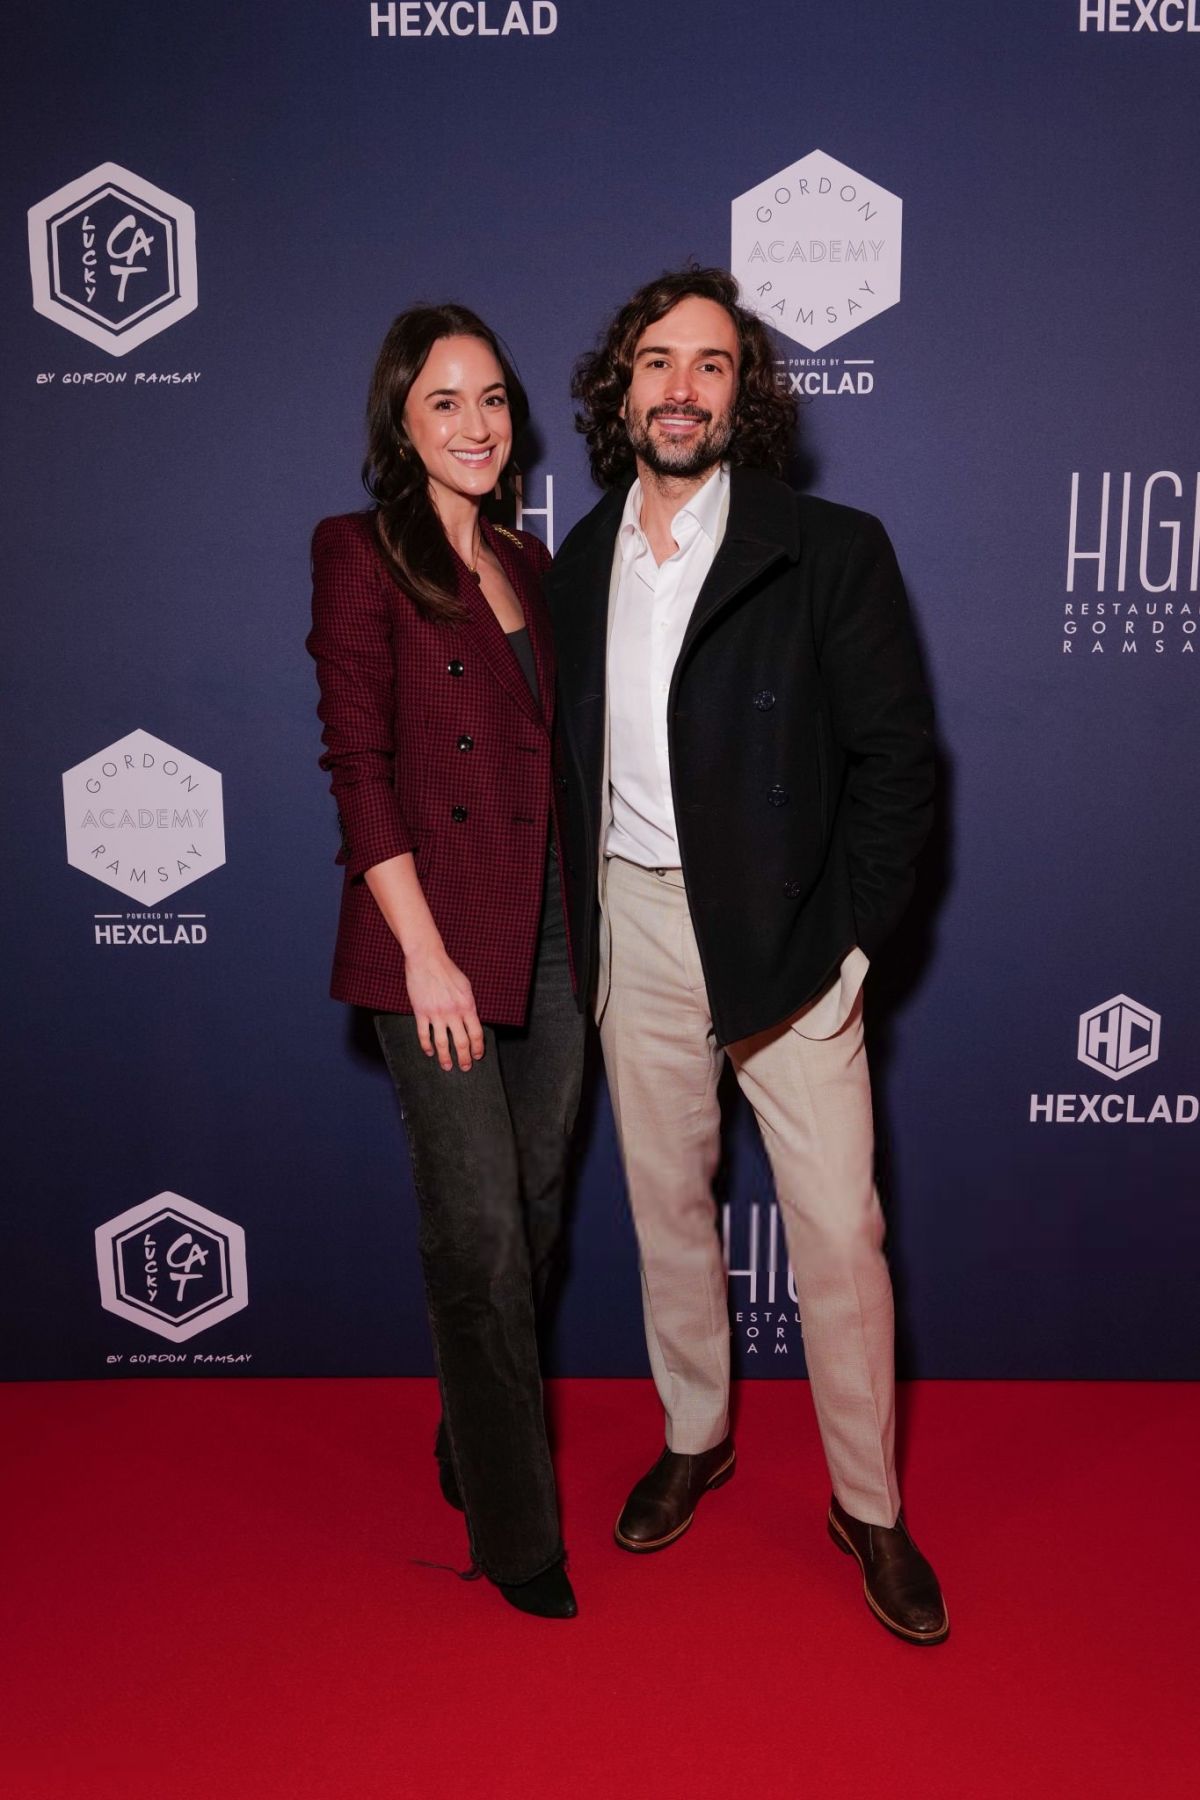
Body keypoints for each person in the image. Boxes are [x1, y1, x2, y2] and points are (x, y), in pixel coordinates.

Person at [545, 267, 948, 1644]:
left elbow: (898, 762)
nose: (681, 389)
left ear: (745, 397)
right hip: (636, 922)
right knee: (668, 1207)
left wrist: (851, 938)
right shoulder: (578, 565)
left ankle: (869, 1506)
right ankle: (696, 1433)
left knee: (837, 1229)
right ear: (622, 390)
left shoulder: (827, 547)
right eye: (657, 361)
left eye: (710, 365)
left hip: (788, 933)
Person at [307, 304, 583, 1620]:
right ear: (400, 422)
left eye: (492, 399)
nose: (476, 424)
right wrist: (424, 960)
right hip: (435, 934)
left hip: (552, 929)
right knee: (475, 1230)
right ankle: (519, 1536)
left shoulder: (533, 558)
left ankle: (467, 1436)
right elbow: (358, 768)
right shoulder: (358, 551)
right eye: (443, 401)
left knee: (534, 1210)